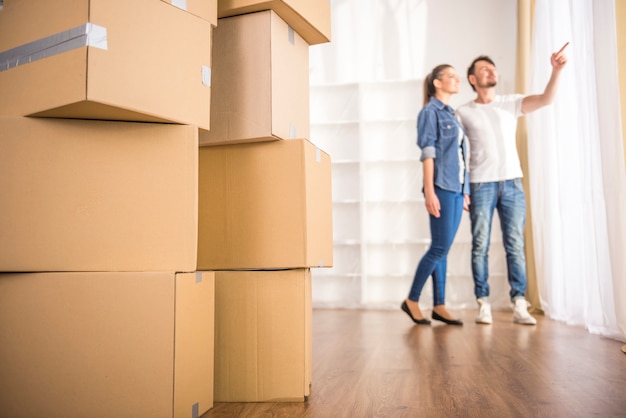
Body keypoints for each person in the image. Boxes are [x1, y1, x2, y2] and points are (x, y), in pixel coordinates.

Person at [456, 43, 569, 325]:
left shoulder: (510, 102)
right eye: (484, 69)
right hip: (480, 184)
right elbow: (456, 154)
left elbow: (546, 99)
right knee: (480, 244)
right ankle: (483, 303)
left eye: (493, 68)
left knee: (515, 244)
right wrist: (463, 189)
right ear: (472, 79)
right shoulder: (463, 112)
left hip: (512, 185)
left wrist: (556, 71)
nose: (491, 71)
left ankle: (519, 302)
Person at [401, 64, 470, 326]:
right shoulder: (430, 112)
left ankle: (439, 305)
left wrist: (464, 191)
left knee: (444, 249)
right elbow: (428, 153)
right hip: (440, 187)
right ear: (437, 83)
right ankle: (412, 300)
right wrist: (429, 190)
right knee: (439, 248)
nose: (457, 80)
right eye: (451, 76)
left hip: (455, 189)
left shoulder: (452, 115)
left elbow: (461, 157)